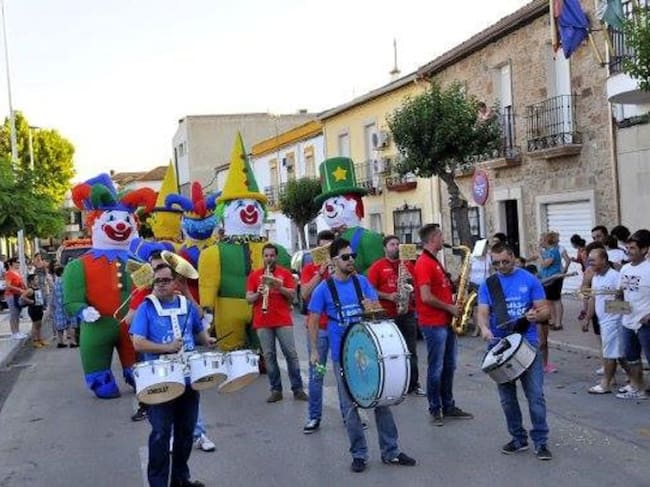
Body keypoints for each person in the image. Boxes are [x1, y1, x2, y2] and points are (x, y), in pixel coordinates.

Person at [307, 237, 416, 472]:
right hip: (342, 355)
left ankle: (391, 451)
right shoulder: (323, 289)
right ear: (334, 261)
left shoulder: (363, 282)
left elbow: (375, 315)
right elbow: (313, 319)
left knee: (381, 400)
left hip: (368, 350)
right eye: (346, 257)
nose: (351, 260)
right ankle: (359, 454)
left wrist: (372, 308)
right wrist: (315, 350)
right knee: (349, 407)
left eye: (352, 256)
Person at [130, 263, 215, 487]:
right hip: (160, 382)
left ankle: (180, 479)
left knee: (186, 433)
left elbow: (198, 331)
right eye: (157, 281)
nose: (160, 285)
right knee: (160, 433)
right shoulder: (146, 308)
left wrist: (207, 339)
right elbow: (137, 342)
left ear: (174, 281)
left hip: (188, 378)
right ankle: (158, 483)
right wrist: (166, 347)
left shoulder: (186, 305)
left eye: (165, 280)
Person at [476, 242, 552, 461]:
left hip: (527, 343)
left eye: (505, 261)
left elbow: (545, 309)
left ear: (514, 258)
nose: (501, 266)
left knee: (535, 396)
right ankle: (518, 438)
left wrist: (536, 316)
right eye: (496, 263)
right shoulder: (488, 284)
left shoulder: (529, 279)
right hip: (500, 345)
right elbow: (482, 311)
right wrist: (484, 328)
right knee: (507, 399)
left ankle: (541, 441)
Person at [414, 224, 473, 426]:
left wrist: (455, 284)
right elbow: (425, 296)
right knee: (436, 367)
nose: (443, 239)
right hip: (433, 323)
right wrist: (449, 308)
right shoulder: (424, 263)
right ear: (433, 238)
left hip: (445, 322)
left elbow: (437, 289)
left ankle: (448, 405)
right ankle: (435, 409)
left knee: (449, 366)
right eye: (441, 235)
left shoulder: (435, 262)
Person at [246, 243, 307, 403]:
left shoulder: (284, 274)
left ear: (276, 257)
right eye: (266, 256)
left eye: (272, 255)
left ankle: (298, 389)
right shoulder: (255, 275)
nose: (269, 259)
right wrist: (258, 294)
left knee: (291, 354)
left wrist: (279, 287)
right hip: (262, 321)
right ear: (263, 257)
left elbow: (293, 296)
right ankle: (276, 390)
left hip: (282, 319)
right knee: (269, 356)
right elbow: (248, 299)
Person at [368, 235, 424, 396]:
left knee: (411, 350)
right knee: (391, 352)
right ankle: (393, 384)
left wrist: (410, 283)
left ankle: (413, 384)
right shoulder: (377, 267)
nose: (396, 247)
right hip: (387, 314)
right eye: (392, 244)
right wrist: (388, 296)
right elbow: (370, 291)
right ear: (385, 248)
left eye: (398, 244)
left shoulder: (406, 265)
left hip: (406, 312)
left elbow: (416, 286)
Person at [300, 230, 339, 434]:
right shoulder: (309, 268)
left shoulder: (343, 267)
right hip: (319, 331)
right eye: (322, 248)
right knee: (317, 374)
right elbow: (305, 294)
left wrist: (335, 272)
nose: (326, 251)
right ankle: (314, 416)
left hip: (339, 329)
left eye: (329, 248)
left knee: (345, 373)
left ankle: (351, 413)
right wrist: (320, 272)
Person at [587, 247, 629, 394]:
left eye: (593, 260)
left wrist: (615, 318)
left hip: (614, 321)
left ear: (604, 260)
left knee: (610, 353)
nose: (589, 263)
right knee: (620, 354)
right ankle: (635, 380)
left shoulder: (615, 276)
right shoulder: (596, 277)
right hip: (603, 321)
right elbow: (593, 298)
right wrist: (587, 318)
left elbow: (624, 299)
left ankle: (606, 383)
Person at [616, 229, 650, 400]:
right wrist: (618, 309)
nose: (628, 251)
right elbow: (621, 292)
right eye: (627, 248)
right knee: (631, 358)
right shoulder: (625, 268)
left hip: (646, 323)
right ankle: (637, 387)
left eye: (633, 248)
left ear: (644, 250)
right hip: (627, 321)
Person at [538, 232, 563, 330]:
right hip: (547, 279)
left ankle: (558, 323)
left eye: (541, 240)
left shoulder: (553, 251)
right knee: (549, 301)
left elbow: (545, 264)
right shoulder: (547, 251)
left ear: (546, 241)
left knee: (556, 300)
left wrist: (539, 254)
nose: (539, 242)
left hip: (554, 279)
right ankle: (552, 320)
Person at [50, 265, 78, 348]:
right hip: (67, 304)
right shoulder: (66, 281)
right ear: (62, 273)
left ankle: (60, 341)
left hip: (59, 306)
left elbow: (53, 296)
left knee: (60, 325)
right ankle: (73, 342)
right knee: (71, 324)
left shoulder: (55, 282)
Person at [4, 257, 28, 339]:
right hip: (11, 295)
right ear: (11, 264)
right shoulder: (9, 273)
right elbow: (8, 285)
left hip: (18, 295)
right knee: (13, 314)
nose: (18, 263)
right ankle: (14, 332)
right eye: (16, 262)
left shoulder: (17, 272)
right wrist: (19, 289)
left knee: (17, 313)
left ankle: (17, 331)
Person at [21, 274, 47, 348]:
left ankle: (40, 339)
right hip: (33, 309)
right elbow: (22, 296)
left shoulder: (37, 288)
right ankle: (35, 341)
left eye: (37, 279)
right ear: (31, 281)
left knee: (39, 324)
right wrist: (30, 301)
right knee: (35, 325)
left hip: (39, 308)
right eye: (35, 279)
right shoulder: (30, 289)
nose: (37, 280)